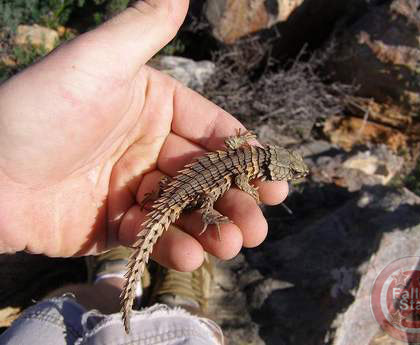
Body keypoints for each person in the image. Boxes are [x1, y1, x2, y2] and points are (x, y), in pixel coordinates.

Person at [0, 1, 288, 343]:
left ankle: (116, 280)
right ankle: (176, 301)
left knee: (173, 214)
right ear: (268, 165)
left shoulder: (242, 153)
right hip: (194, 188)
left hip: (182, 186)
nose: (291, 176)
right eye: (289, 172)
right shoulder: (246, 166)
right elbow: (239, 178)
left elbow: (232, 158)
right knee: (194, 241)